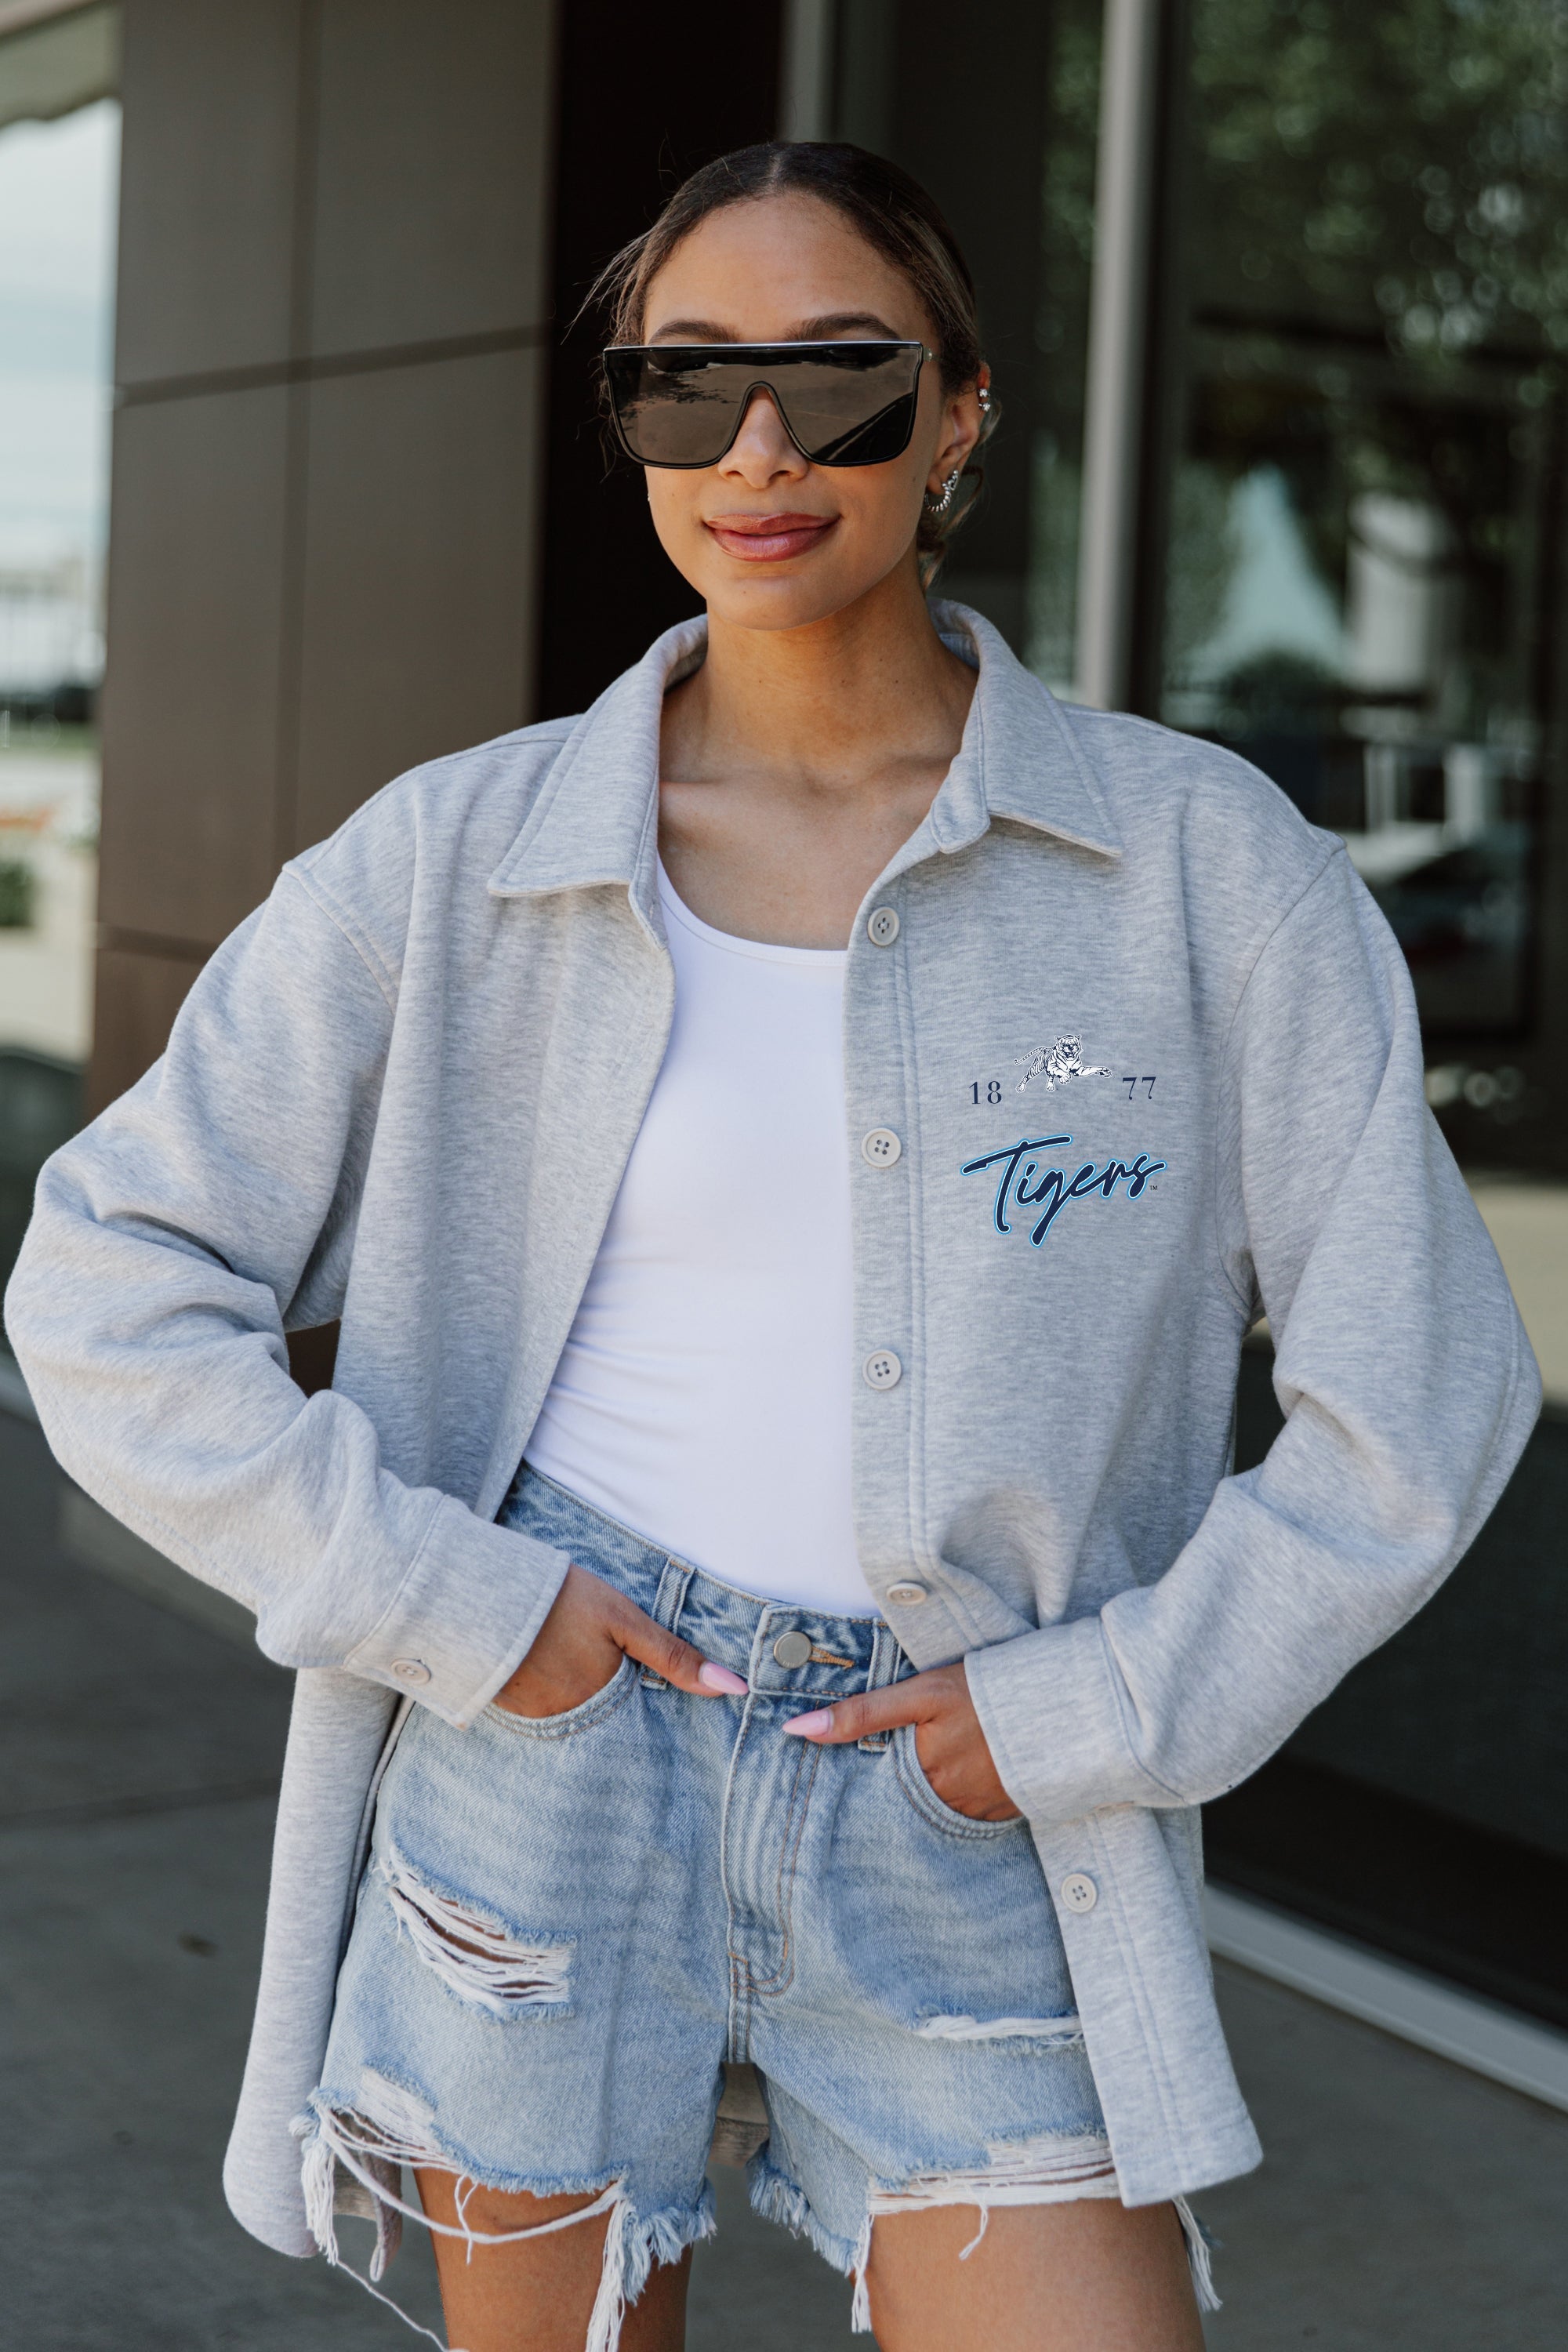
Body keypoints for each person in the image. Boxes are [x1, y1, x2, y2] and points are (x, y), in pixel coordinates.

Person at [5, 141, 1538, 2352]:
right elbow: (106, 1280)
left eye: (838, 381)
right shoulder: (461, 857)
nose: (756, 450)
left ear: (962, 413)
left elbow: (1424, 1394)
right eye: (680, 385)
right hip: (549, 1753)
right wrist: (455, 1604)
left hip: (976, 1788)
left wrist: (1101, 1709)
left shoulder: (1198, 871)